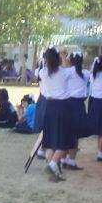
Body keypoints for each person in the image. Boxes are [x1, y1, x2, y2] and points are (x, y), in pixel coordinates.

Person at [38, 47, 73, 182]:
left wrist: (59, 56)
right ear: (57, 58)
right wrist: (63, 55)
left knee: (50, 141)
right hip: (62, 107)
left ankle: (54, 172)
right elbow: (69, 66)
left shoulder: (42, 72)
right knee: (64, 141)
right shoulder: (63, 72)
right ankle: (52, 165)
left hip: (49, 107)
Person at [61, 52, 91, 170]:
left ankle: (63, 159)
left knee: (65, 132)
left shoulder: (68, 72)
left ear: (71, 60)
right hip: (78, 105)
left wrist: (64, 58)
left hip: (66, 104)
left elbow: (63, 68)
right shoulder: (86, 73)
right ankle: (71, 161)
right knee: (75, 134)